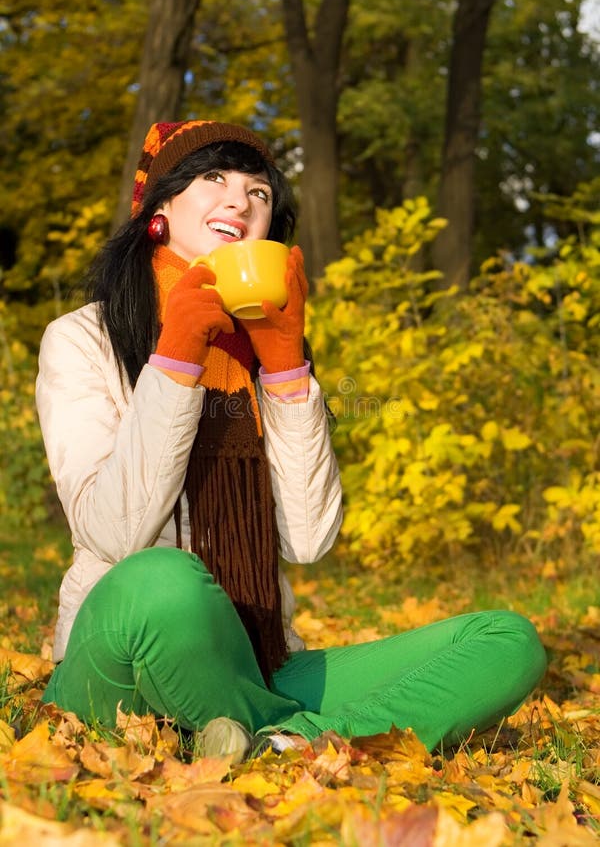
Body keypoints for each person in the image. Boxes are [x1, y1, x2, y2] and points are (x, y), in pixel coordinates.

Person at [36, 119, 547, 759]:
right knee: (164, 579)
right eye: (212, 178)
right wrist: (175, 361)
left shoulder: (266, 353)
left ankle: (280, 741)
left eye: (259, 192)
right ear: (161, 204)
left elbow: (307, 539)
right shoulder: (81, 339)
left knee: (507, 639)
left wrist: (284, 370)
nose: (239, 200)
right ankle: (298, 733)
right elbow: (112, 531)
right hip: (123, 661)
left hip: (261, 664)